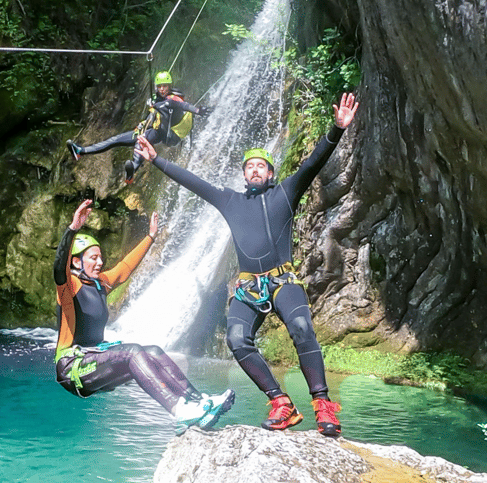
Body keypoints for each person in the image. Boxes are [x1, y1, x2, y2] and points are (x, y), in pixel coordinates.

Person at [134, 93, 360, 437]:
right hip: (247, 286)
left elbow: (313, 163)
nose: (255, 170)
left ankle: (323, 406)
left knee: (301, 325)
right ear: (245, 175)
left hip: (283, 280)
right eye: (249, 166)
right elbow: (195, 184)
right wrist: (157, 160)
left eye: (261, 166)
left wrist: (337, 129)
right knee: (237, 338)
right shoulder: (230, 201)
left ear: (270, 173)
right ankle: (281, 403)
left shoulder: (285, 192)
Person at [53, 199, 235, 434]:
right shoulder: (68, 287)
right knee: (132, 352)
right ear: (76, 261)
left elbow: (125, 268)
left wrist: (150, 237)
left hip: (94, 358)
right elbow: (59, 266)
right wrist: (73, 229)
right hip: (72, 367)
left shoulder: (100, 284)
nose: (100, 262)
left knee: (152, 351)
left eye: (100, 257)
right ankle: (179, 411)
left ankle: (198, 402)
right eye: (93, 258)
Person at [66, 71, 212, 183]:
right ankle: (81, 151)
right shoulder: (157, 99)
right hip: (152, 130)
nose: (162, 89)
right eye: (160, 86)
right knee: (115, 140)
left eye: (165, 86)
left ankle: (132, 170)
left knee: (141, 139)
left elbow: (183, 105)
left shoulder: (171, 100)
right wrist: (145, 119)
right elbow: (152, 116)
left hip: (165, 134)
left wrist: (198, 111)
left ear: (170, 86)